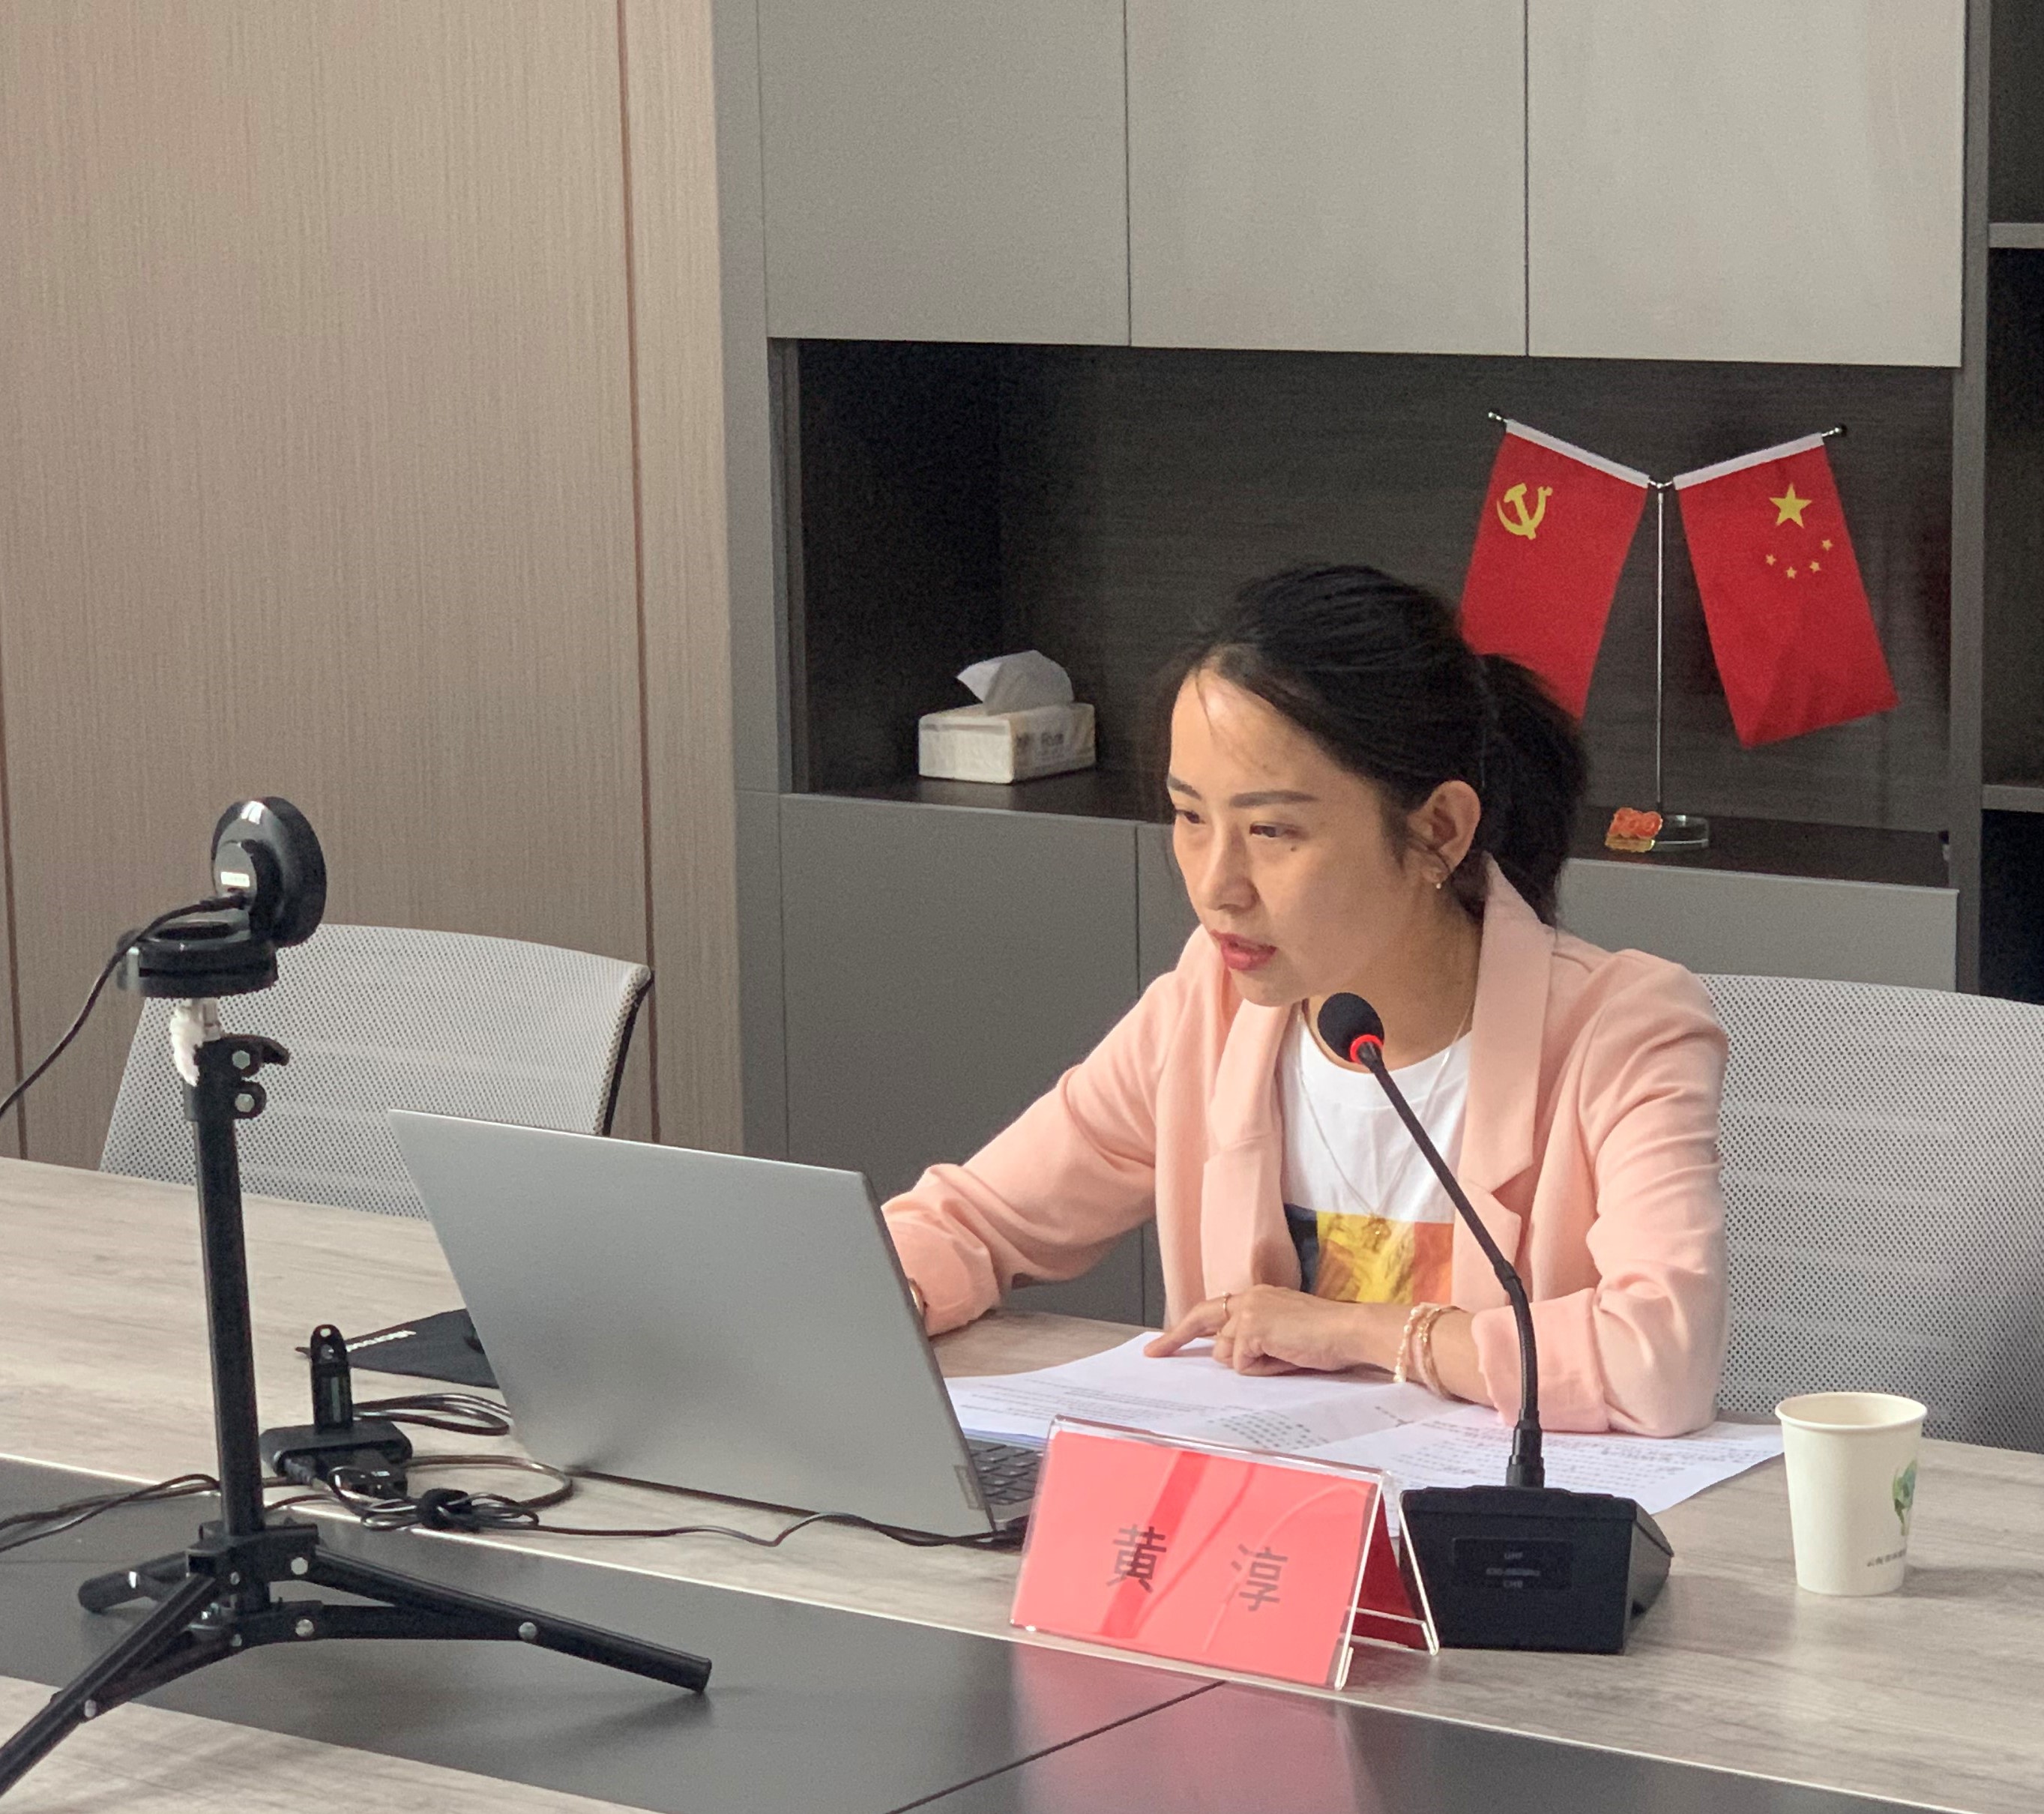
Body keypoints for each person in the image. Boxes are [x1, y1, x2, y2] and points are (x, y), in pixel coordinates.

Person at [884, 566, 1727, 1436]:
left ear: (1439, 828)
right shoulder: (1207, 1012)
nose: (1218, 886)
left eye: (1272, 830)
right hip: (1256, 1512)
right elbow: (973, 1220)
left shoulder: (1620, 1030)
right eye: (1190, 817)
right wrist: (887, 1291)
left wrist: (1358, 1332)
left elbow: (1659, 1360)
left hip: (1487, 1515)